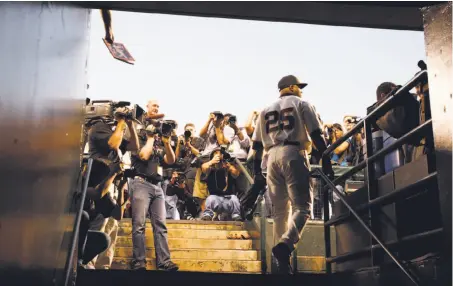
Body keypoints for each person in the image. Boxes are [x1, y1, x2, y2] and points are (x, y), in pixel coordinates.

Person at [252, 75, 333, 274]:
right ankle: (286, 245)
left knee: (280, 213)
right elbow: (315, 134)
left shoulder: (265, 110)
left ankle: (281, 265)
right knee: (303, 207)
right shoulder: (301, 103)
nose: (301, 90)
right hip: (293, 153)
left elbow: (255, 146)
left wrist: (256, 174)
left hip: (271, 156)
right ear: (290, 87)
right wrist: (327, 159)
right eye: (299, 86)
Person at [129, 100, 178, 271]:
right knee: (139, 224)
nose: (156, 109)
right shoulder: (139, 133)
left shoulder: (158, 138)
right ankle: (139, 262)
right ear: (147, 110)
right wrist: (150, 137)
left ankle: (164, 262)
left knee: (161, 225)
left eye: (158, 107)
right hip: (141, 182)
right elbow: (143, 155)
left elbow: (170, 161)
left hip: (158, 186)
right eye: (153, 107)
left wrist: (165, 141)